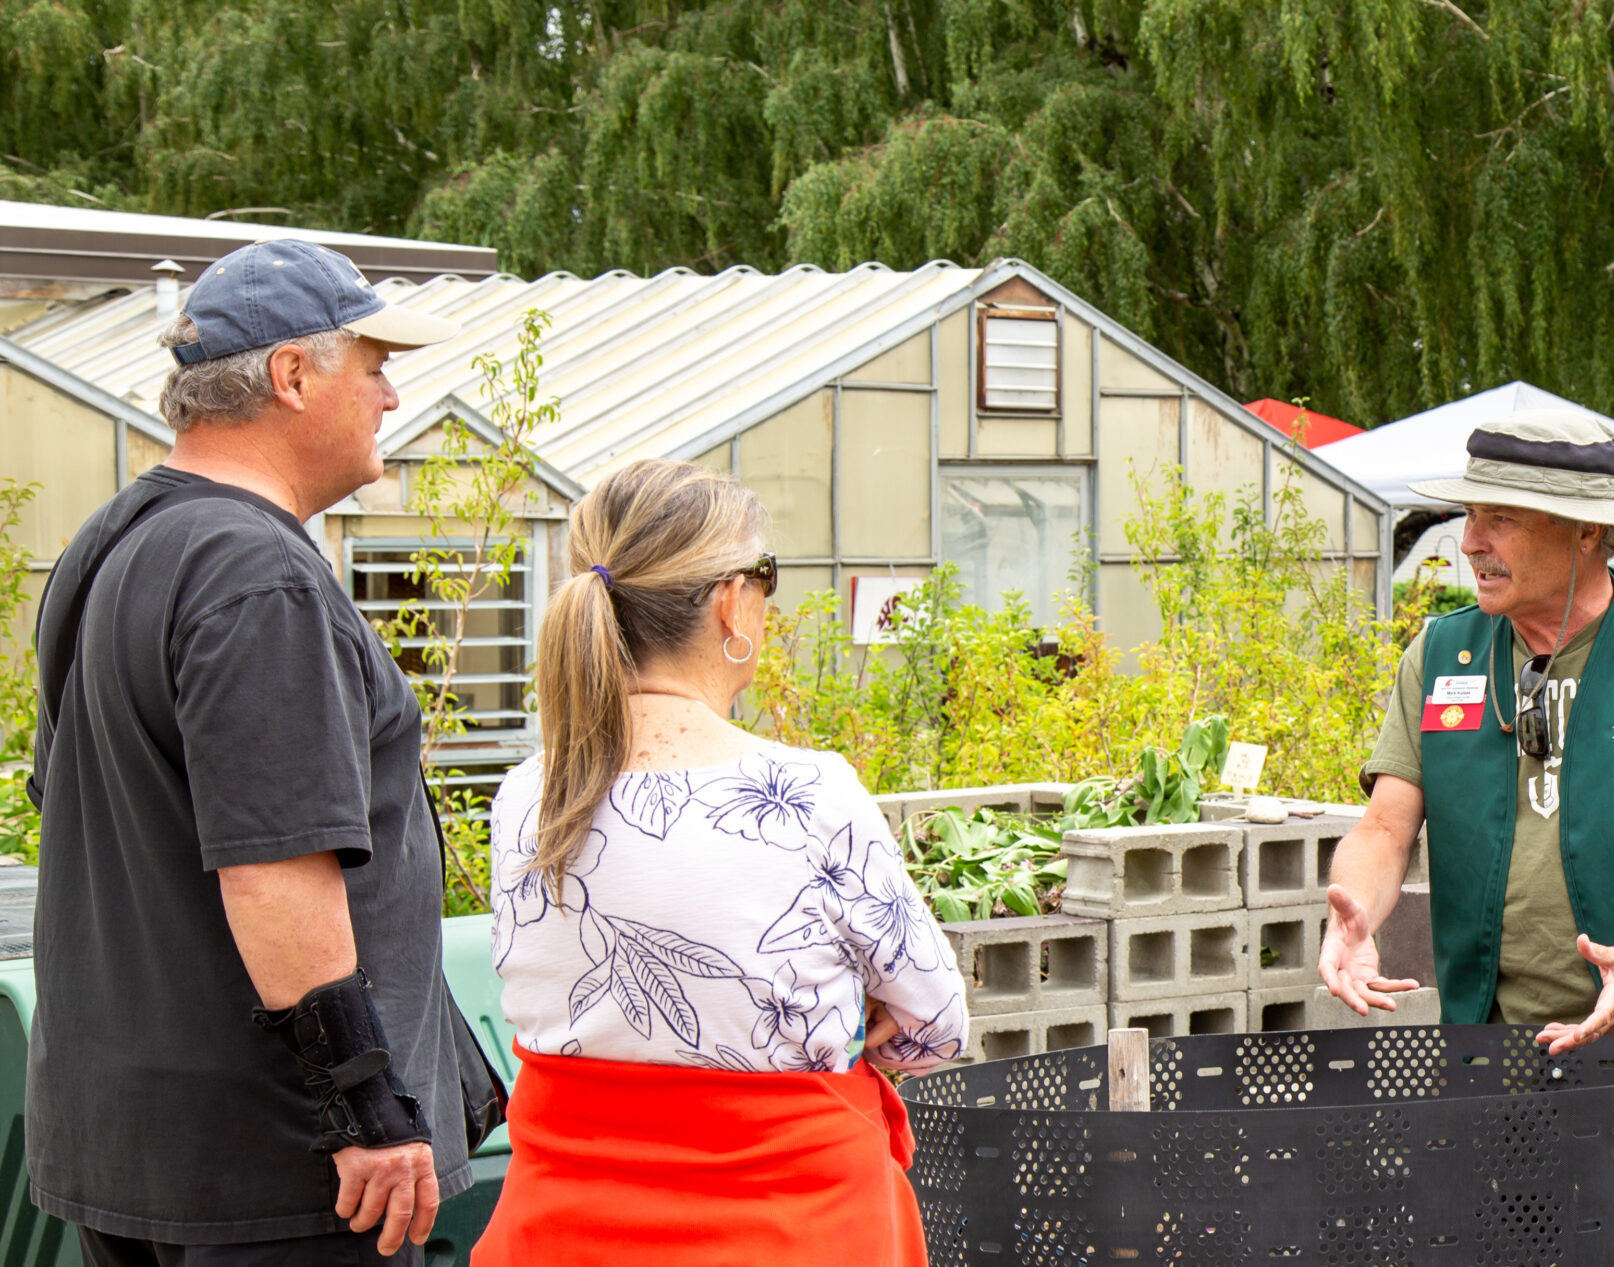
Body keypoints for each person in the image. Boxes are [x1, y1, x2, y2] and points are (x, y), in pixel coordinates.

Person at [28, 241, 470, 1264]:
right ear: (293, 376)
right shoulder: (255, 573)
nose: (392, 396)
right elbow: (274, 865)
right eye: (373, 366)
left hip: (131, 1139)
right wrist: (364, 1103)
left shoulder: (110, 544)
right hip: (276, 1167)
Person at [473, 460, 968, 1266]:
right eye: (765, 575)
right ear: (729, 601)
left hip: (564, 1230)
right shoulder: (808, 793)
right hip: (788, 1230)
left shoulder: (528, 795)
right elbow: (936, 1024)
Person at [1318, 408, 1614, 1053]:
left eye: (1500, 518)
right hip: (1486, 1050)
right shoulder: (1441, 653)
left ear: (1587, 530)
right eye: (1470, 515)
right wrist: (1359, 911)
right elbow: (1386, 826)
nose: (1471, 541)